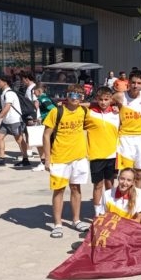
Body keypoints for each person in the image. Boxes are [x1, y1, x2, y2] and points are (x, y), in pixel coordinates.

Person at [42, 85, 90, 238]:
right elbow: (46, 135)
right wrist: (47, 158)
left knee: (76, 188)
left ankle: (76, 220)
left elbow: (95, 107)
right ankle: (57, 224)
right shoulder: (57, 111)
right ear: (67, 95)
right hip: (60, 158)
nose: (75, 98)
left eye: (79, 95)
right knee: (59, 191)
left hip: (79, 157)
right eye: (72, 94)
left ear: (82, 97)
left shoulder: (84, 111)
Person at [85, 86, 120, 217]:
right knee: (98, 185)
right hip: (96, 155)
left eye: (106, 99)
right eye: (101, 99)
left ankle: (109, 210)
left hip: (112, 155)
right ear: (96, 100)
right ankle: (97, 213)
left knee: (110, 184)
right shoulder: (89, 113)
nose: (103, 102)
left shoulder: (117, 113)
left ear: (111, 99)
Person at [113, 69, 141, 188]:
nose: (135, 85)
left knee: (139, 174)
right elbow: (102, 102)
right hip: (125, 139)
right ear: (129, 82)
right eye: (133, 82)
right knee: (125, 175)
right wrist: (114, 108)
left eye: (139, 83)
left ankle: (137, 201)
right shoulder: (119, 96)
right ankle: (123, 201)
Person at [0, 75, 28, 167]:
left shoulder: (9, 93)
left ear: (5, 82)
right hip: (6, 121)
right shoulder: (4, 93)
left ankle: (25, 159)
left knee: (19, 140)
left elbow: (7, 108)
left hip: (14, 120)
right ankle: (1, 159)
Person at [31, 83, 56, 172]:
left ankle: (45, 162)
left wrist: (45, 117)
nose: (34, 94)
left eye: (35, 92)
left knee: (44, 142)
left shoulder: (43, 98)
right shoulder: (45, 97)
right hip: (47, 121)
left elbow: (52, 108)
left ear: (39, 91)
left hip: (48, 123)